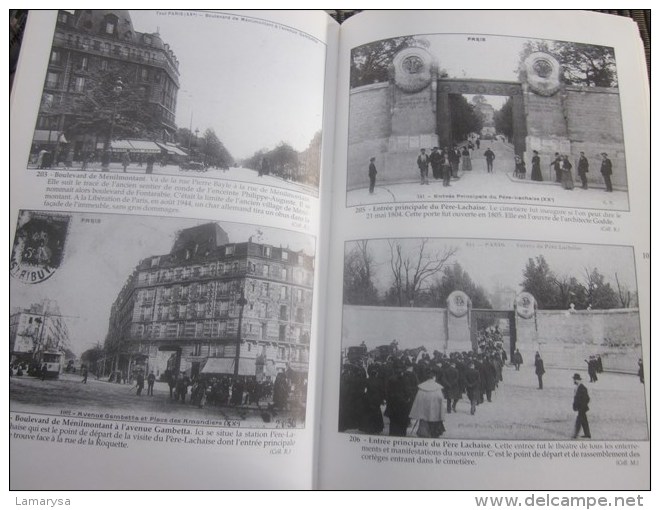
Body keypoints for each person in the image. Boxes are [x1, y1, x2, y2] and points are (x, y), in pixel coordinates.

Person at [409, 366, 445, 438]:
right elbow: (441, 401)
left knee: (423, 430)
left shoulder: (422, 388)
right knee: (434, 431)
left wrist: (416, 413)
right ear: (434, 377)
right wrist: (442, 415)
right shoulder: (438, 388)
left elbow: (417, 401)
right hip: (435, 413)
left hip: (423, 413)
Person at [572, 373, 591, 438]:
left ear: (577, 380)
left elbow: (587, 398)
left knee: (579, 421)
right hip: (581, 407)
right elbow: (576, 398)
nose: (573, 381)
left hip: (582, 408)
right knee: (584, 421)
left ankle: (575, 434)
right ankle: (587, 434)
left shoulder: (582, 388)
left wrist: (582, 406)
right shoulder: (577, 387)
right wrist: (575, 405)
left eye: (574, 379)